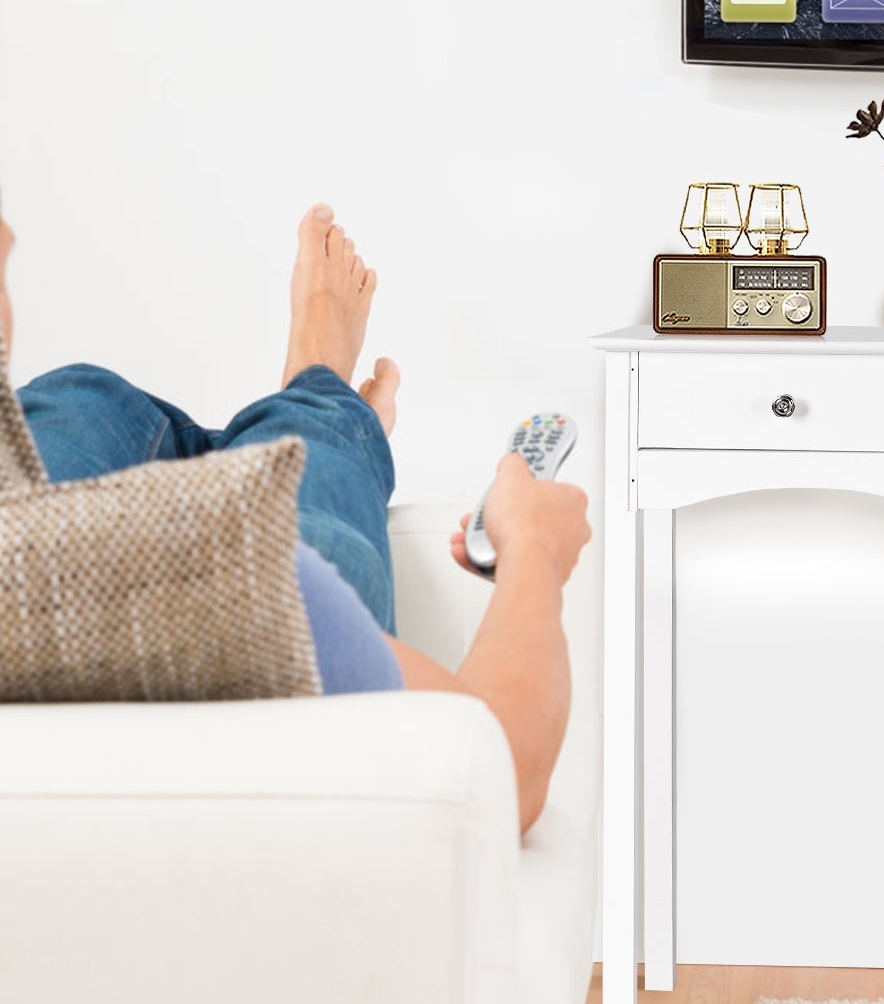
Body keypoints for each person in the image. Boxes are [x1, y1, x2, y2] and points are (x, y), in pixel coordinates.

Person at [0, 203, 589, 834]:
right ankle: (317, 403)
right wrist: (533, 546)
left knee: (79, 399)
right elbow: (499, 772)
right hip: (217, 588)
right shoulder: (236, 583)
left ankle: (316, 419)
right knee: (294, 484)